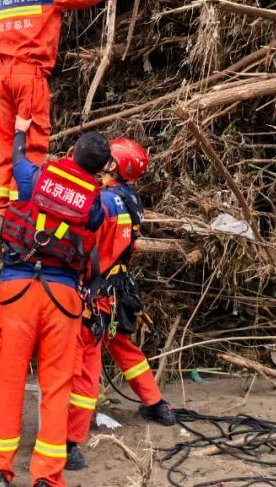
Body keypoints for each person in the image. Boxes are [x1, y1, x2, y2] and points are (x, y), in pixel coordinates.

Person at [0, 122, 111, 487]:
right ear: (100, 170)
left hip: (18, 291)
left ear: (71, 154)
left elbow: (17, 158)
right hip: (64, 300)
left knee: (9, 381)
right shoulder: (94, 204)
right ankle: (47, 477)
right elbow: (93, 230)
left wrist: (22, 131)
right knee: (56, 386)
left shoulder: (36, 177)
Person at [0, 0, 113, 221]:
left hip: (1, 79)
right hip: (30, 77)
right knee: (32, 145)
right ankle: (21, 212)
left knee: (5, 145)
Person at [65, 137, 175, 471]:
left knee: (86, 364)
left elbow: (87, 244)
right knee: (123, 346)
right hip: (119, 287)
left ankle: (70, 442)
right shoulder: (131, 200)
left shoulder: (102, 201)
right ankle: (156, 404)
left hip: (96, 290)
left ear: (112, 165)